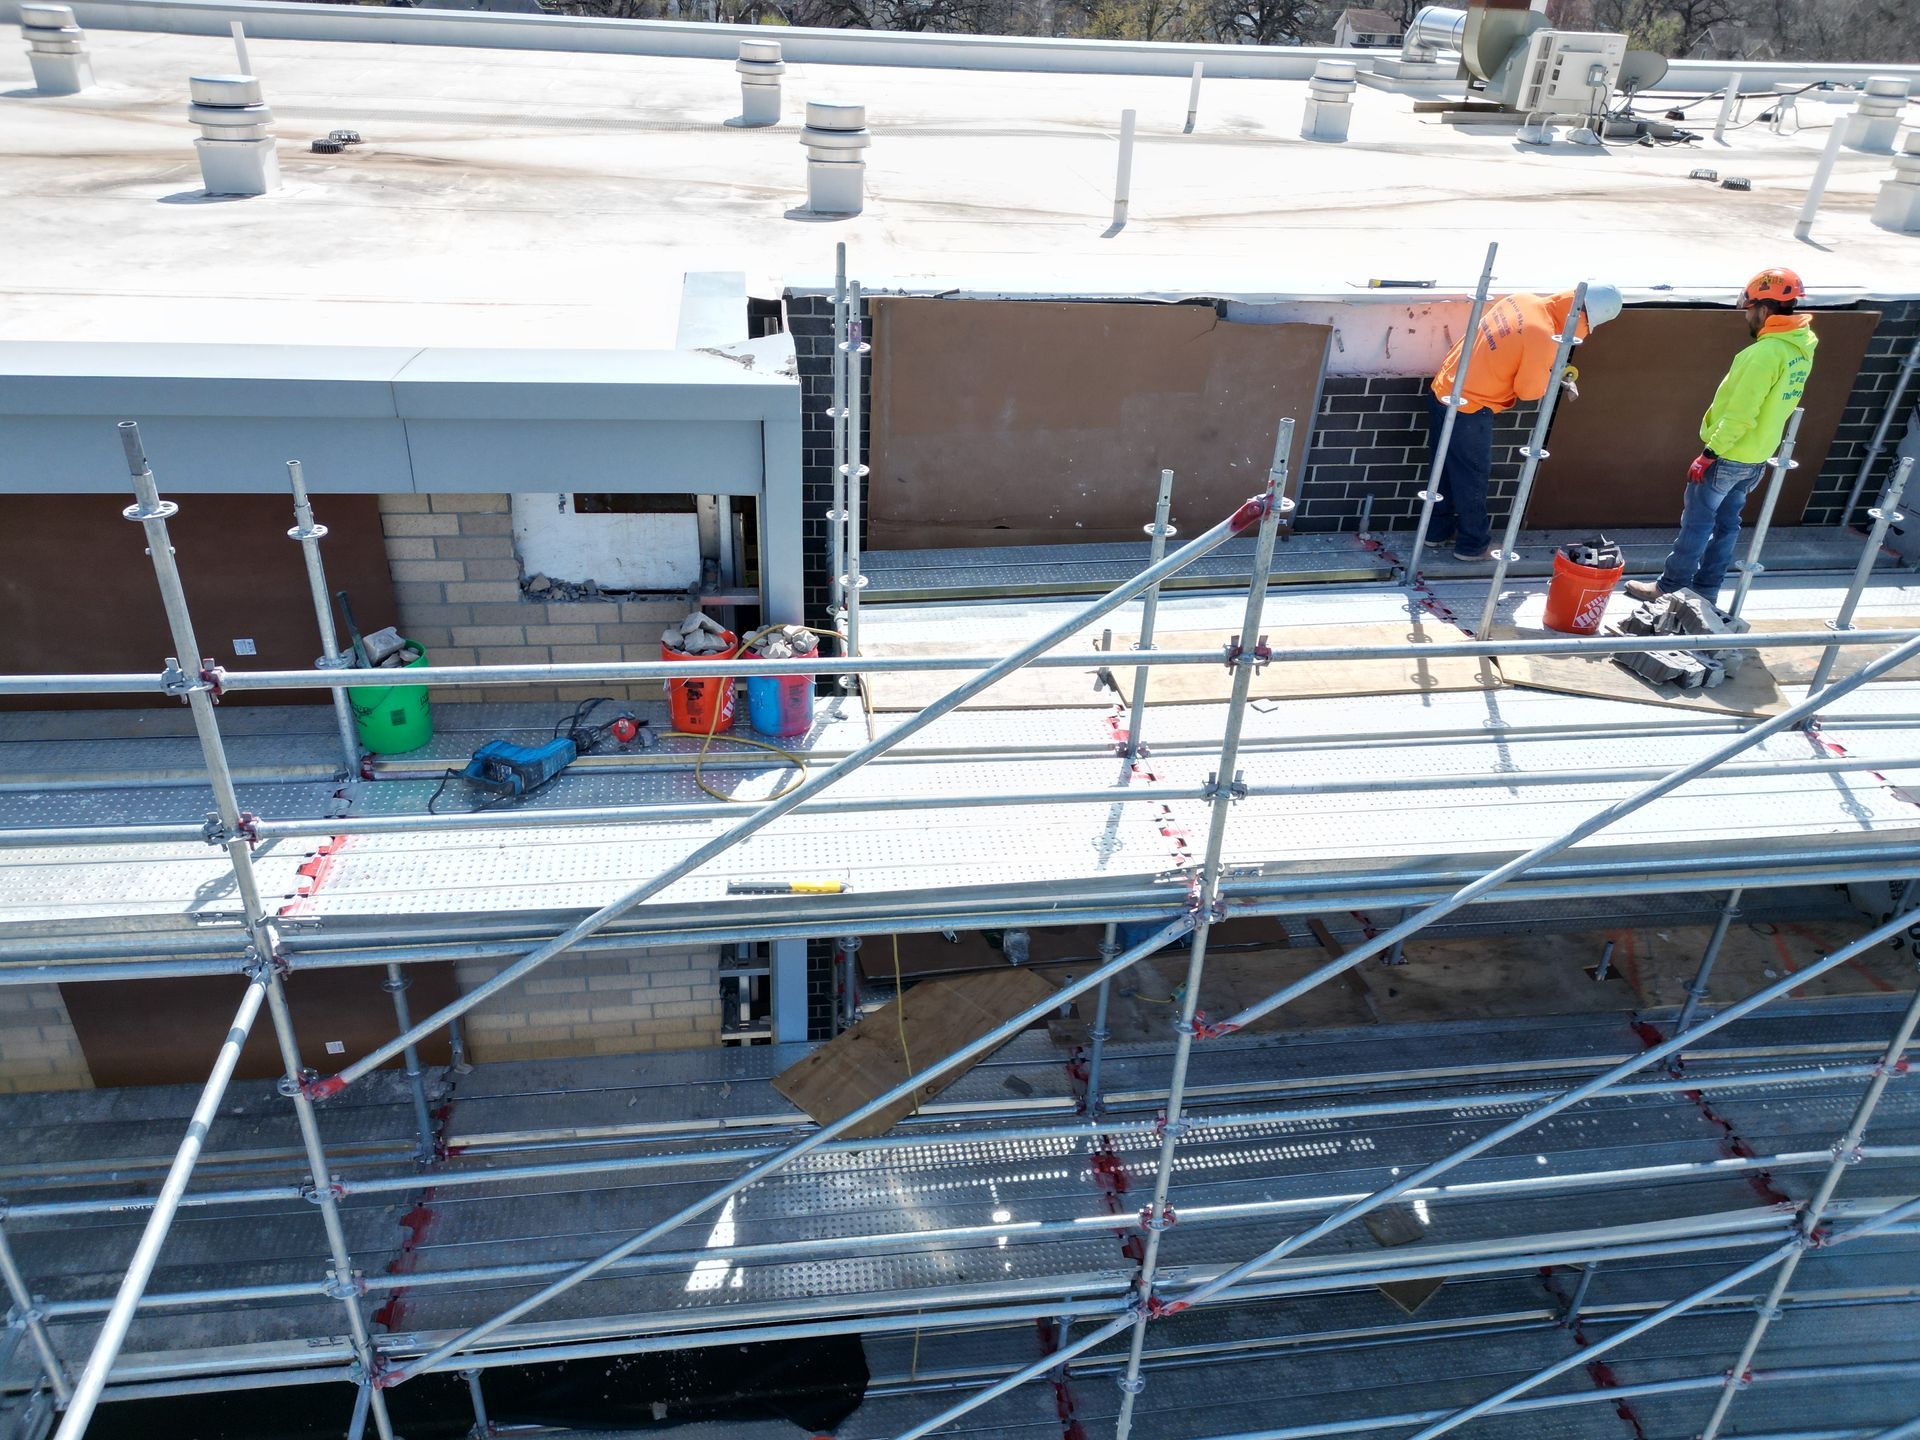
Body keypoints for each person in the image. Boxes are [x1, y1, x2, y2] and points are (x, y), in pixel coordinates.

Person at [1626, 267, 1818, 603]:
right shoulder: (1801, 348)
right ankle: (1705, 592)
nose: (1748, 318)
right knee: (1727, 526)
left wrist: (1709, 453)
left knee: (1697, 525)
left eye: (1749, 310)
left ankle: (1668, 587)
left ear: (1763, 308)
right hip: (1756, 456)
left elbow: (1741, 413)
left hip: (1728, 454)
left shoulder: (1763, 354)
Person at [1425, 284, 1623, 564]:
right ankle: (1472, 545)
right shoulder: (1544, 336)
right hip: (1470, 407)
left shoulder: (1522, 300)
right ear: (1587, 319)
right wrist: (1549, 372)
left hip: (1444, 388)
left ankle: (1435, 531)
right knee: (1472, 477)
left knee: (1444, 469)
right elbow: (1529, 391)